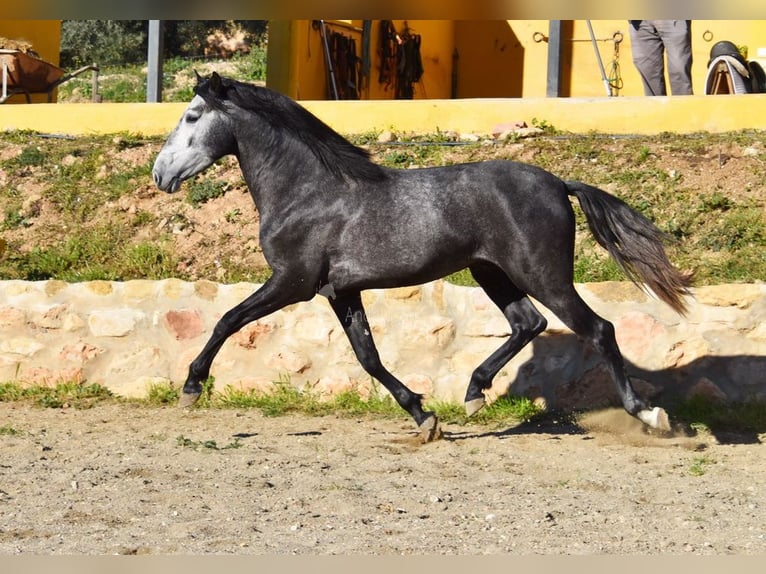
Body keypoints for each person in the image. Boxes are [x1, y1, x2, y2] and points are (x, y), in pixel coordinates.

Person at [629, 20, 693, 95]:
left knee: (679, 72)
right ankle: (655, 106)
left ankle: (683, 106)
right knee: (648, 71)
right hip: (639, 22)